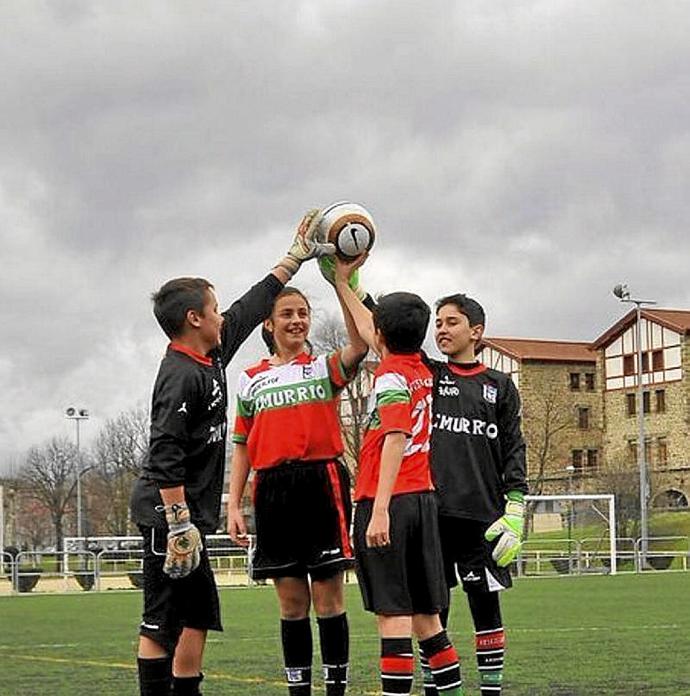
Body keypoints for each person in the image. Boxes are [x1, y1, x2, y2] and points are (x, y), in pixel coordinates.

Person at [129, 210, 331, 696]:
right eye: (214, 310)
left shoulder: (211, 354)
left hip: (190, 519)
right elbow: (164, 453)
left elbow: (249, 305)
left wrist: (294, 258)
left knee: (197, 615)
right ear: (194, 319)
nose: (224, 316)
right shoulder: (179, 373)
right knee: (161, 621)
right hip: (167, 517)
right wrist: (178, 523)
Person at [226, 281, 368, 696]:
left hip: (321, 483)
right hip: (271, 490)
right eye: (287, 314)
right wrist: (234, 504)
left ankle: (336, 690)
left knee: (328, 600)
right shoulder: (250, 379)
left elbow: (360, 343)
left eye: (303, 313)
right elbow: (241, 447)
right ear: (269, 324)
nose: (297, 320)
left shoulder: (324, 367)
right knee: (291, 604)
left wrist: (342, 283)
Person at [332, 259, 464, 696]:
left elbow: (395, 437)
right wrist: (342, 283)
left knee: (394, 617)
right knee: (427, 619)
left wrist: (381, 510)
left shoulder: (389, 374)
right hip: (423, 501)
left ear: (382, 337)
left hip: (389, 502)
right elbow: (374, 330)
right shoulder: (421, 368)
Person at [428, 294, 528, 696]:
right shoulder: (430, 375)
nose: (441, 329)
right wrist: (352, 283)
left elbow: (513, 447)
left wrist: (516, 505)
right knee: (434, 613)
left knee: (485, 609)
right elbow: (390, 328)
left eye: (451, 322)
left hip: (483, 518)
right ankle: (437, 688)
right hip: (433, 514)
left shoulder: (499, 385)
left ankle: (491, 691)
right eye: (437, 323)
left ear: (476, 332)